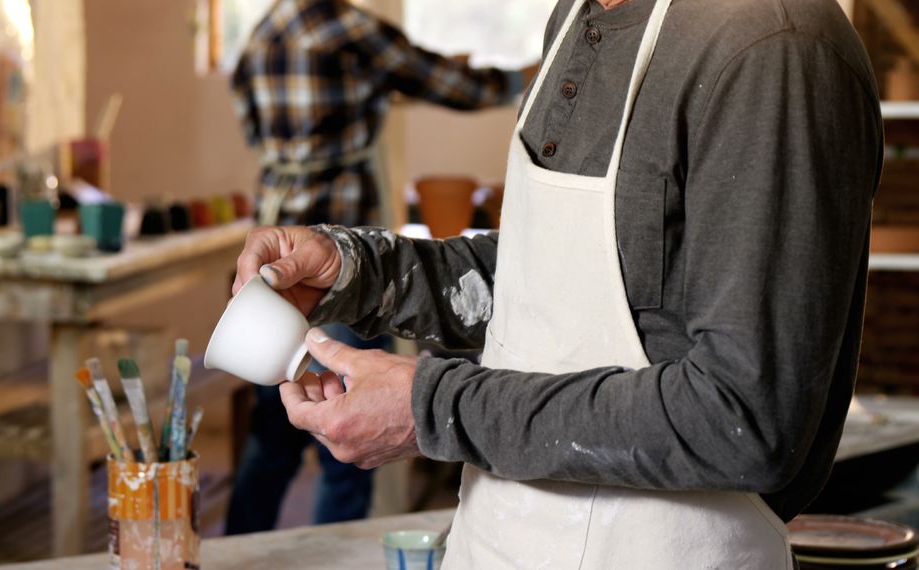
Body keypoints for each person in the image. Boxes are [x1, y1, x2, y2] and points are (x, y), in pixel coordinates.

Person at [232, 0, 884, 566]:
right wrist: (353, 269)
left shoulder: (772, 47)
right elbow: (545, 281)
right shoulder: (574, 17)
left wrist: (434, 407)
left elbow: (744, 419)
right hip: (499, 543)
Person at [223, 0, 535, 534]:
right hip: (338, 257)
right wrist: (520, 79)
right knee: (345, 435)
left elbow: (254, 129)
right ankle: (338, 553)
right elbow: (451, 84)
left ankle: (235, 552)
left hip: (274, 249)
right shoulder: (347, 27)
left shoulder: (260, 35)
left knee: (271, 434)